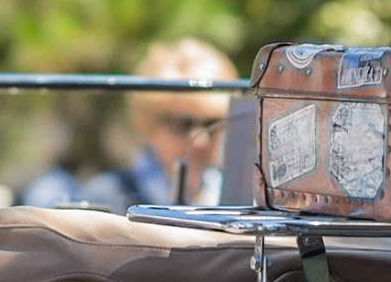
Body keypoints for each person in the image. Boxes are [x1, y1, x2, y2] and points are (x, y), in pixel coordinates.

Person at [21, 38, 238, 212]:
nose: (200, 140)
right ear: (147, 125)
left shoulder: (241, 202)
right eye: (182, 124)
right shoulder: (106, 198)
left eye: (213, 124)